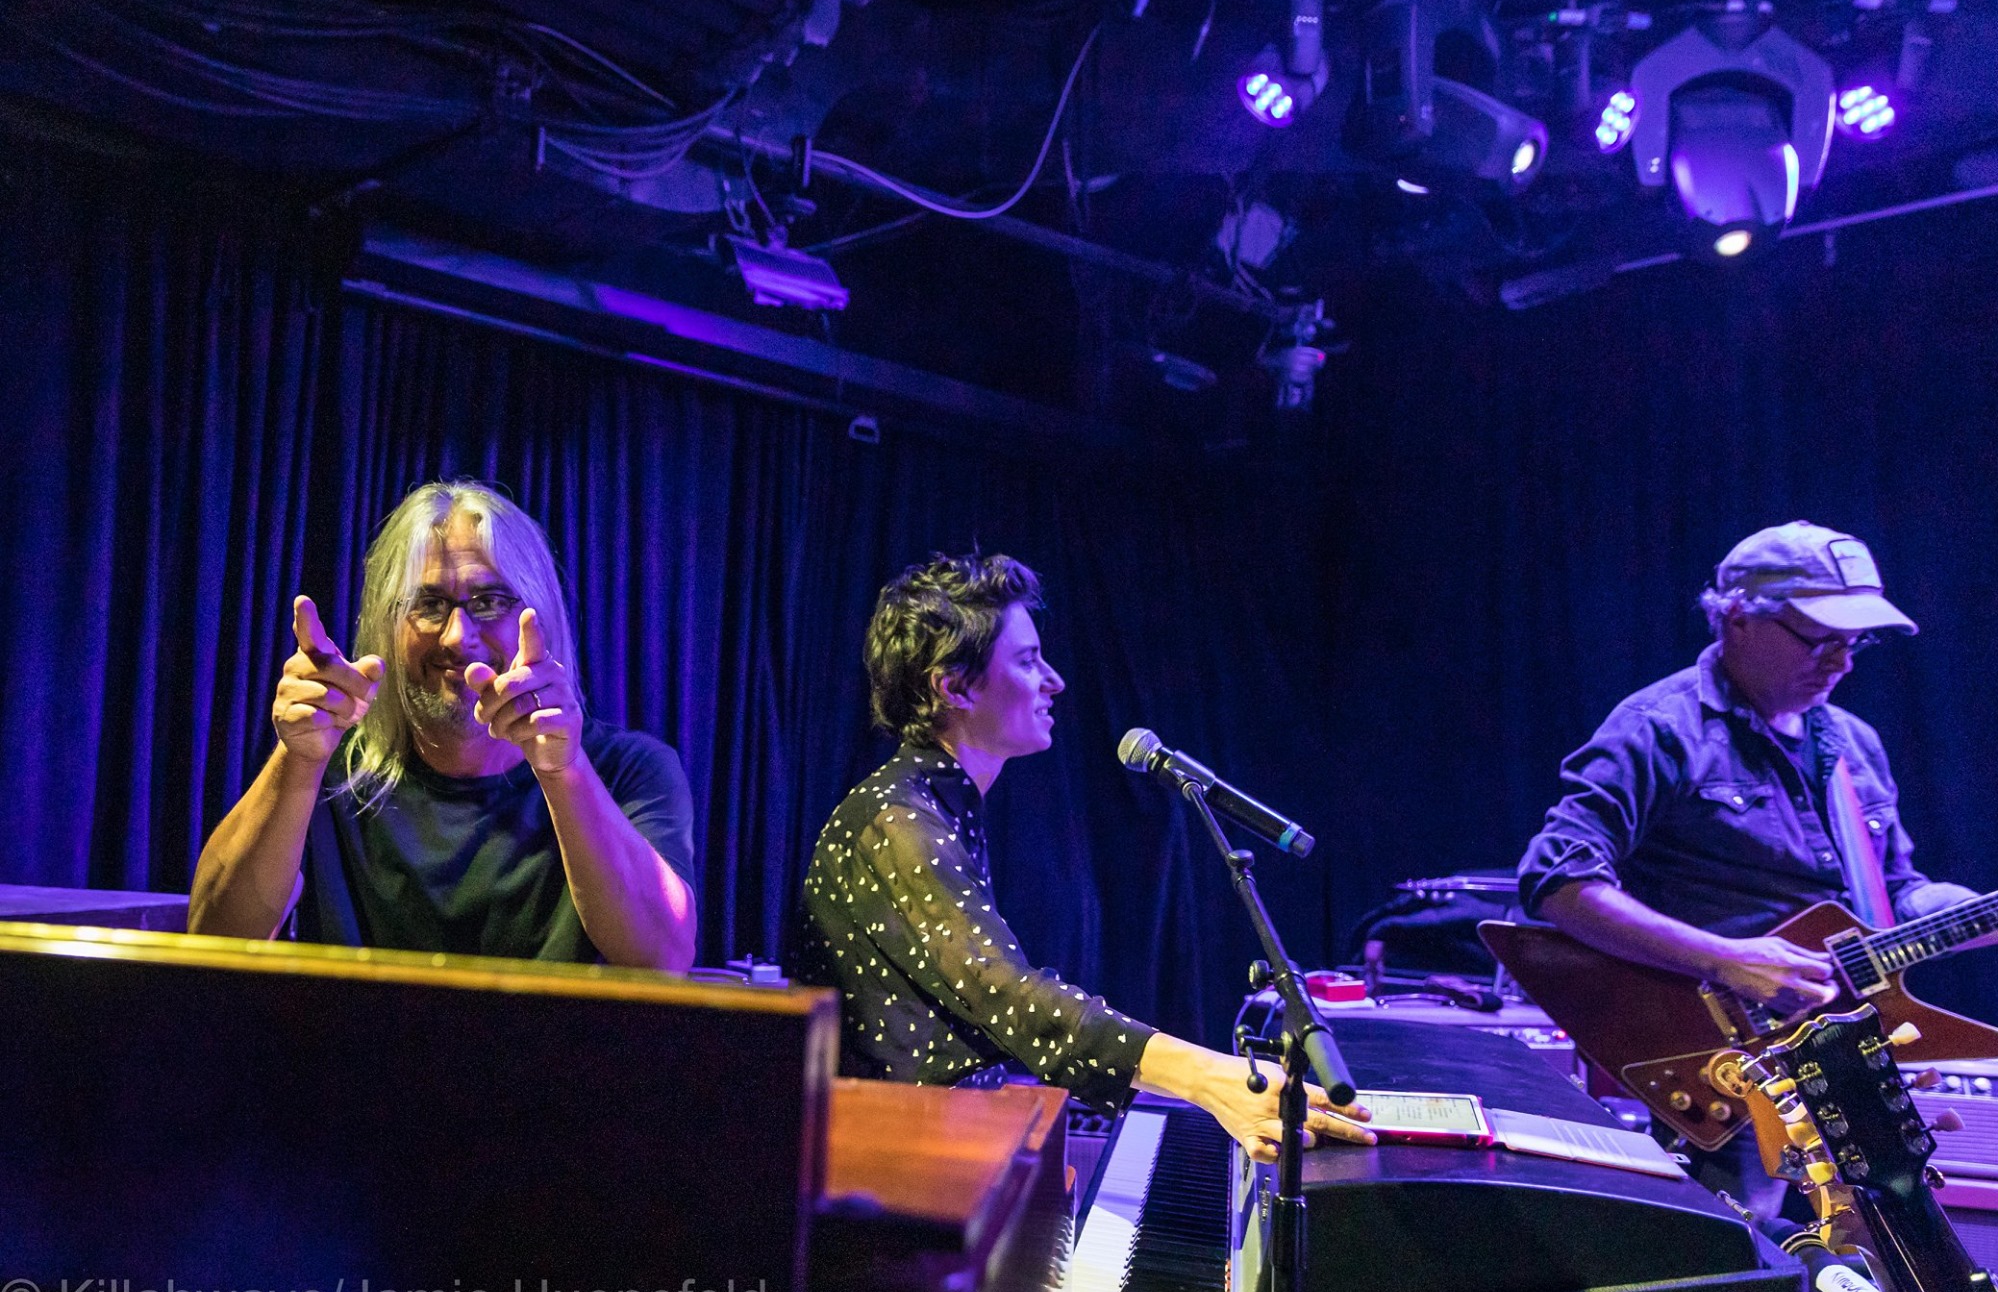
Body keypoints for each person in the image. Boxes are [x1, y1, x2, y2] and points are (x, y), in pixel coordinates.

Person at [1518, 520, 1998, 1209]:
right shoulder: (1659, 727)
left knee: (1875, 1273)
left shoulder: (1855, 743)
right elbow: (1557, 880)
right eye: (1821, 638)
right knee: (1741, 1269)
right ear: (1738, 618)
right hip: (1715, 1064)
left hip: (1846, 1055)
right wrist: (1725, 959)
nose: (1842, 662)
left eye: (1854, 642)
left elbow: (1894, 899)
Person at [797, 552, 1370, 1164]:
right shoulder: (896, 819)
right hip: (892, 1178)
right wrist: (1208, 1079)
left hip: (940, 1150)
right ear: (955, 687)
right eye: (1027, 661)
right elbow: (1010, 995)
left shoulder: (933, 805)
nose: (1054, 680)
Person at [191, 481, 696, 970]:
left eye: (490, 602)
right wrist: (297, 760)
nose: (458, 637)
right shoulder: (328, 765)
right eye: (428, 605)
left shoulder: (630, 770)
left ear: (540, 615)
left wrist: (563, 772)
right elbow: (212, 940)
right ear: (386, 625)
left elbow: (663, 957)